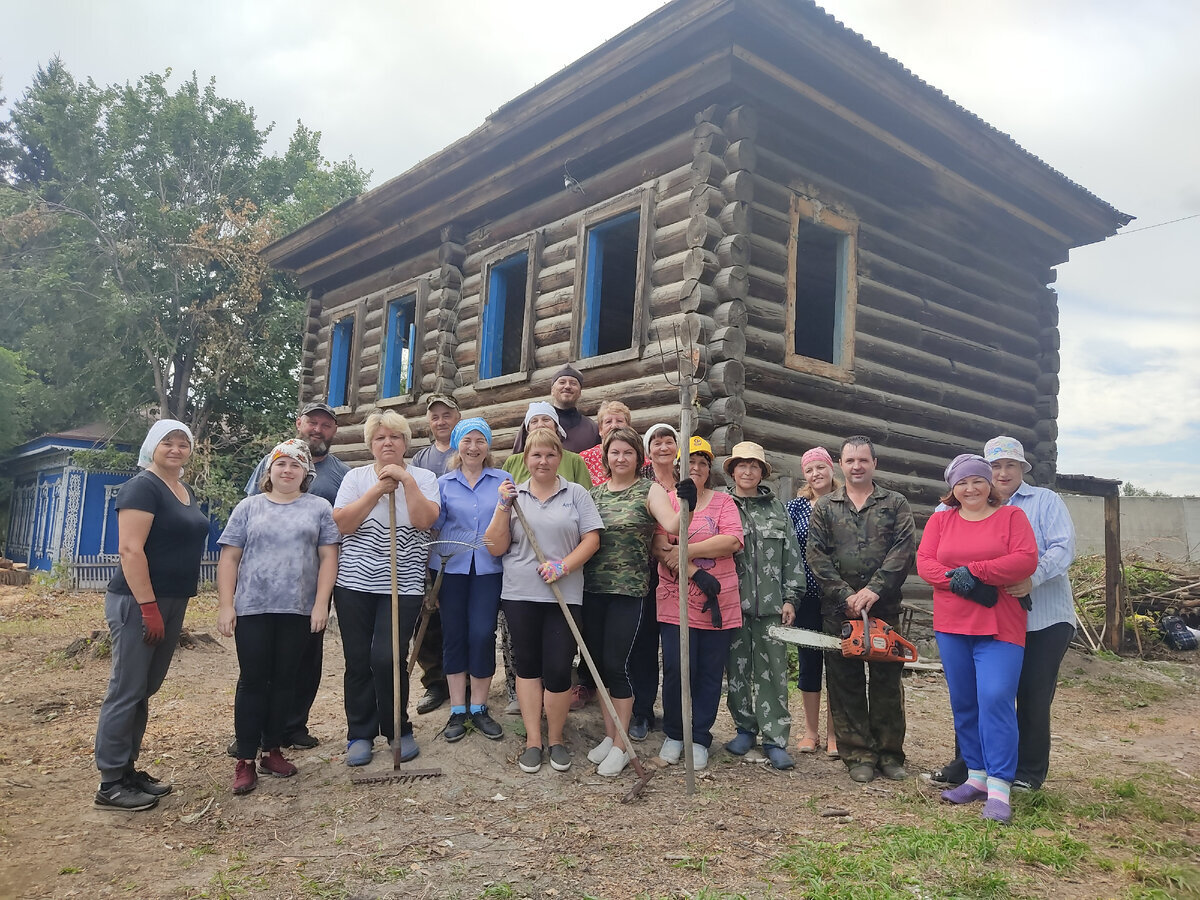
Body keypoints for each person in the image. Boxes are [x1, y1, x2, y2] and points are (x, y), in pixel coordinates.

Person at [928, 436, 1078, 792]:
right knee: (973, 693)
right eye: (995, 466)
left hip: (1042, 617)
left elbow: (1063, 547)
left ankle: (1026, 772)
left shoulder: (1043, 502)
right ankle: (969, 766)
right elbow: (933, 558)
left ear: (1022, 468)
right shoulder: (958, 509)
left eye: (1010, 465)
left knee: (1029, 694)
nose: (1002, 472)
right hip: (982, 616)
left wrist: (1033, 577)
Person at [93, 420, 211, 811]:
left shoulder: (182, 490)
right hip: (138, 601)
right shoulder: (142, 487)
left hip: (173, 599)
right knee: (126, 689)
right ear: (152, 447)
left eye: (183, 443)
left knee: (145, 688)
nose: (176, 449)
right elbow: (130, 550)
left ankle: (127, 769)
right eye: (168, 443)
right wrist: (147, 607)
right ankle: (110, 782)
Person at [917, 454, 1038, 824]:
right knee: (965, 703)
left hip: (1000, 624)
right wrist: (961, 582)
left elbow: (1025, 559)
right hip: (952, 625)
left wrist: (975, 571)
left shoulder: (1011, 517)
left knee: (996, 698)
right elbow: (925, 563)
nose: (970, 488)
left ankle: (1000, 788)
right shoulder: (942, 519)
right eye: (962, 482)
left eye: (977, 481)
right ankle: (977, 778)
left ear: (989, 485)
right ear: (953, 488)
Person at [217, 440, 340, 795]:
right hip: (253, 607)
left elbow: (328, 558)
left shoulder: (319, 508)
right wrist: (227, 605)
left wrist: (321, 605)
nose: (287, 470)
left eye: (295, 466)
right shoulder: (248, 508)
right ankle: (244, 758)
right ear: (269, 471)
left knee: (286, 679)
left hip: (298, 609)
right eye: (281, 464)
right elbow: (229, 558)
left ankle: (272, 750)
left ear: (307, 474)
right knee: (253, 680)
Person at [485, 428, 603, 775]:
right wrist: (501, 507)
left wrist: (563, 566)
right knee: (528, 666)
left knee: (557, 668)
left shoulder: (577, 493)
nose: (543, 461)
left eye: (550, 454)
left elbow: (592, 539)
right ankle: (533, 740)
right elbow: (495, 545)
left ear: (560, 457)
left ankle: (557, 739)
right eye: (536, 455)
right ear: (526, 460)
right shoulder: (513, 495)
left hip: (563, 594)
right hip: (520, 593)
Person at [235, 401, 349, 754]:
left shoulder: (340, 473)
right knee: (257, 665)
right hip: (261, 586)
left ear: (333, 432)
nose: (318, 429)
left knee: (304, 659)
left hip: (310, 583)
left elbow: (340, 529)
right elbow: (250, 516)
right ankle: (250, 733)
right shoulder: (272, 462)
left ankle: (293, 725)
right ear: (300, 423)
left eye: (326, 425)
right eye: (312, 422)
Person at [332, 411, 440, 767]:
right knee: (359, 659)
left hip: (403, 585)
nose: (388, 443)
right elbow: (344, 524)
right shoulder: (354, 477)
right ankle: (360, 734)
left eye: (395, 437)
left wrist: (405, 482)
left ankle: (397, 729)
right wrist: (379, 488)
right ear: (370, 445)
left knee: (389, 657)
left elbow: (425, 520)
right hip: (354, 584)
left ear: (406, 443)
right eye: (380, 438)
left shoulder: (424, 477)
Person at [806, 435, 916, 784]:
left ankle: (889, 753)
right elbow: (816, 555)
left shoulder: (894, 503)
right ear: (841, 464)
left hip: (885, 607)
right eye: (850, 460)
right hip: (839, 611)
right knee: (845, 683)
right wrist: (845, 594)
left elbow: (903, 551)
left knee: (886, 683)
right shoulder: (826, 506)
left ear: (874, 464)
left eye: (863, 460)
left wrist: (873, 590)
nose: (857, 466)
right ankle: (857, 754)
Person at [582, 426, 679, 776]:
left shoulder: (649, 490)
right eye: (614, 452)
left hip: (629, 590)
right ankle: (611, 737)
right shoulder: (595, 495)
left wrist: (687, 503)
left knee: (618, 664)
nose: (620, 458)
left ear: (640, 457)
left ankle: (623, 746)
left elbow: (673, 524)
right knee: (600, 668)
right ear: (606, 457)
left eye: (627, 452)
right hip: (592, 590)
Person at [651, 436, 744, 771]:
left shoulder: (723, 502)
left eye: (703, 463)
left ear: (709, 469)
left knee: (707, 672)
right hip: (676, 599)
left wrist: (687, 551)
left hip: (718, 598)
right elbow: (660, 545)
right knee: (678, 668)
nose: (696, 468)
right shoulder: (668, 501)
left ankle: (700, 737)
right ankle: (675, 733)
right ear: (678, 465)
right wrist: (689, 567)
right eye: (690, 461)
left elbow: (731, 540)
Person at [723, 441, 805, 771]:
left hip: (772, 606)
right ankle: (745, 730)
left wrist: (791, 597)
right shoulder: (723, 505)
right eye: (741, 465)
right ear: (732, 470)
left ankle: (775, 739)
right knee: (737, 670)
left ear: (762, 472)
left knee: (773, 673)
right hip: (733, 605)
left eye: (754, 466)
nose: (747, 470)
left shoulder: (777, 509)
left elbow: (792, 556)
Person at [433, 417, 510, 744]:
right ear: (457, 445)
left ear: (487, 445)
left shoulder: (503, 480)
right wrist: (429, 577)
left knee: (481, 634)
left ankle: (479, 707)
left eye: (480, 441)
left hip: (489, 569)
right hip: (450, 569)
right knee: (453, 635)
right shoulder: (443, 483)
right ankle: (457, 709)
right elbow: (433, 527)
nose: (473, 447)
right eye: (467, 441)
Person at [785, 447, 842, 758]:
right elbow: (789, 548)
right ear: (804, 474)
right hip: (807, 593)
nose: (816, 473)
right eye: (810, 469)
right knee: (809, 662)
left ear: (832, 469)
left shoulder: (846, 503)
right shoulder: (796, 507)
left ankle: (835, 733)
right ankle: (810, 732)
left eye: (821, 467)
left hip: (837, 595)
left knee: (837, 664)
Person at [409, 393, 463, 717]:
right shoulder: (420, 460)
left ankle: (463, 680)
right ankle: (434, 683)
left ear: (458, 417)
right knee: (427, 617)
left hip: (463, 550)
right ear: (429, 423)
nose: (441, 421)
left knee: (458, 618)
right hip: (426, 548)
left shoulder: (469, 450)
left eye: (447, 415)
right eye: (435, 417)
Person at [627, 422, 680, 741]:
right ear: (647, 450)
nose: (662, 447)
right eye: (656, 442)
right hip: (645, 575)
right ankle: (642, 711)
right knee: (644, 646)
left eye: (668, 441)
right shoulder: (640, 483)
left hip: (684, 579)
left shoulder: (690, 479)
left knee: (676, 650)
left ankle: (676, 716)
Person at [511, 365, 600, 454]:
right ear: (552, 390)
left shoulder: (592, 428)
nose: (567, 386)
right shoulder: (535, 423)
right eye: (562, 382)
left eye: (573, 383)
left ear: (580, 392)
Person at [503, 402, 592, 487]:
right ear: (528, 430)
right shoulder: (512, 462)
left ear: (556, 426)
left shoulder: (574, 461)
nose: (540, 425)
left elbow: (586, 496)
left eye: (546, 420)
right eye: (534, 421)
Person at [579, 400, 634, 487]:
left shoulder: (638, 457)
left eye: (619, 421)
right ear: (600, 429)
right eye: (608, 422)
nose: (614, 426)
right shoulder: (584, 459)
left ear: (628, 427)